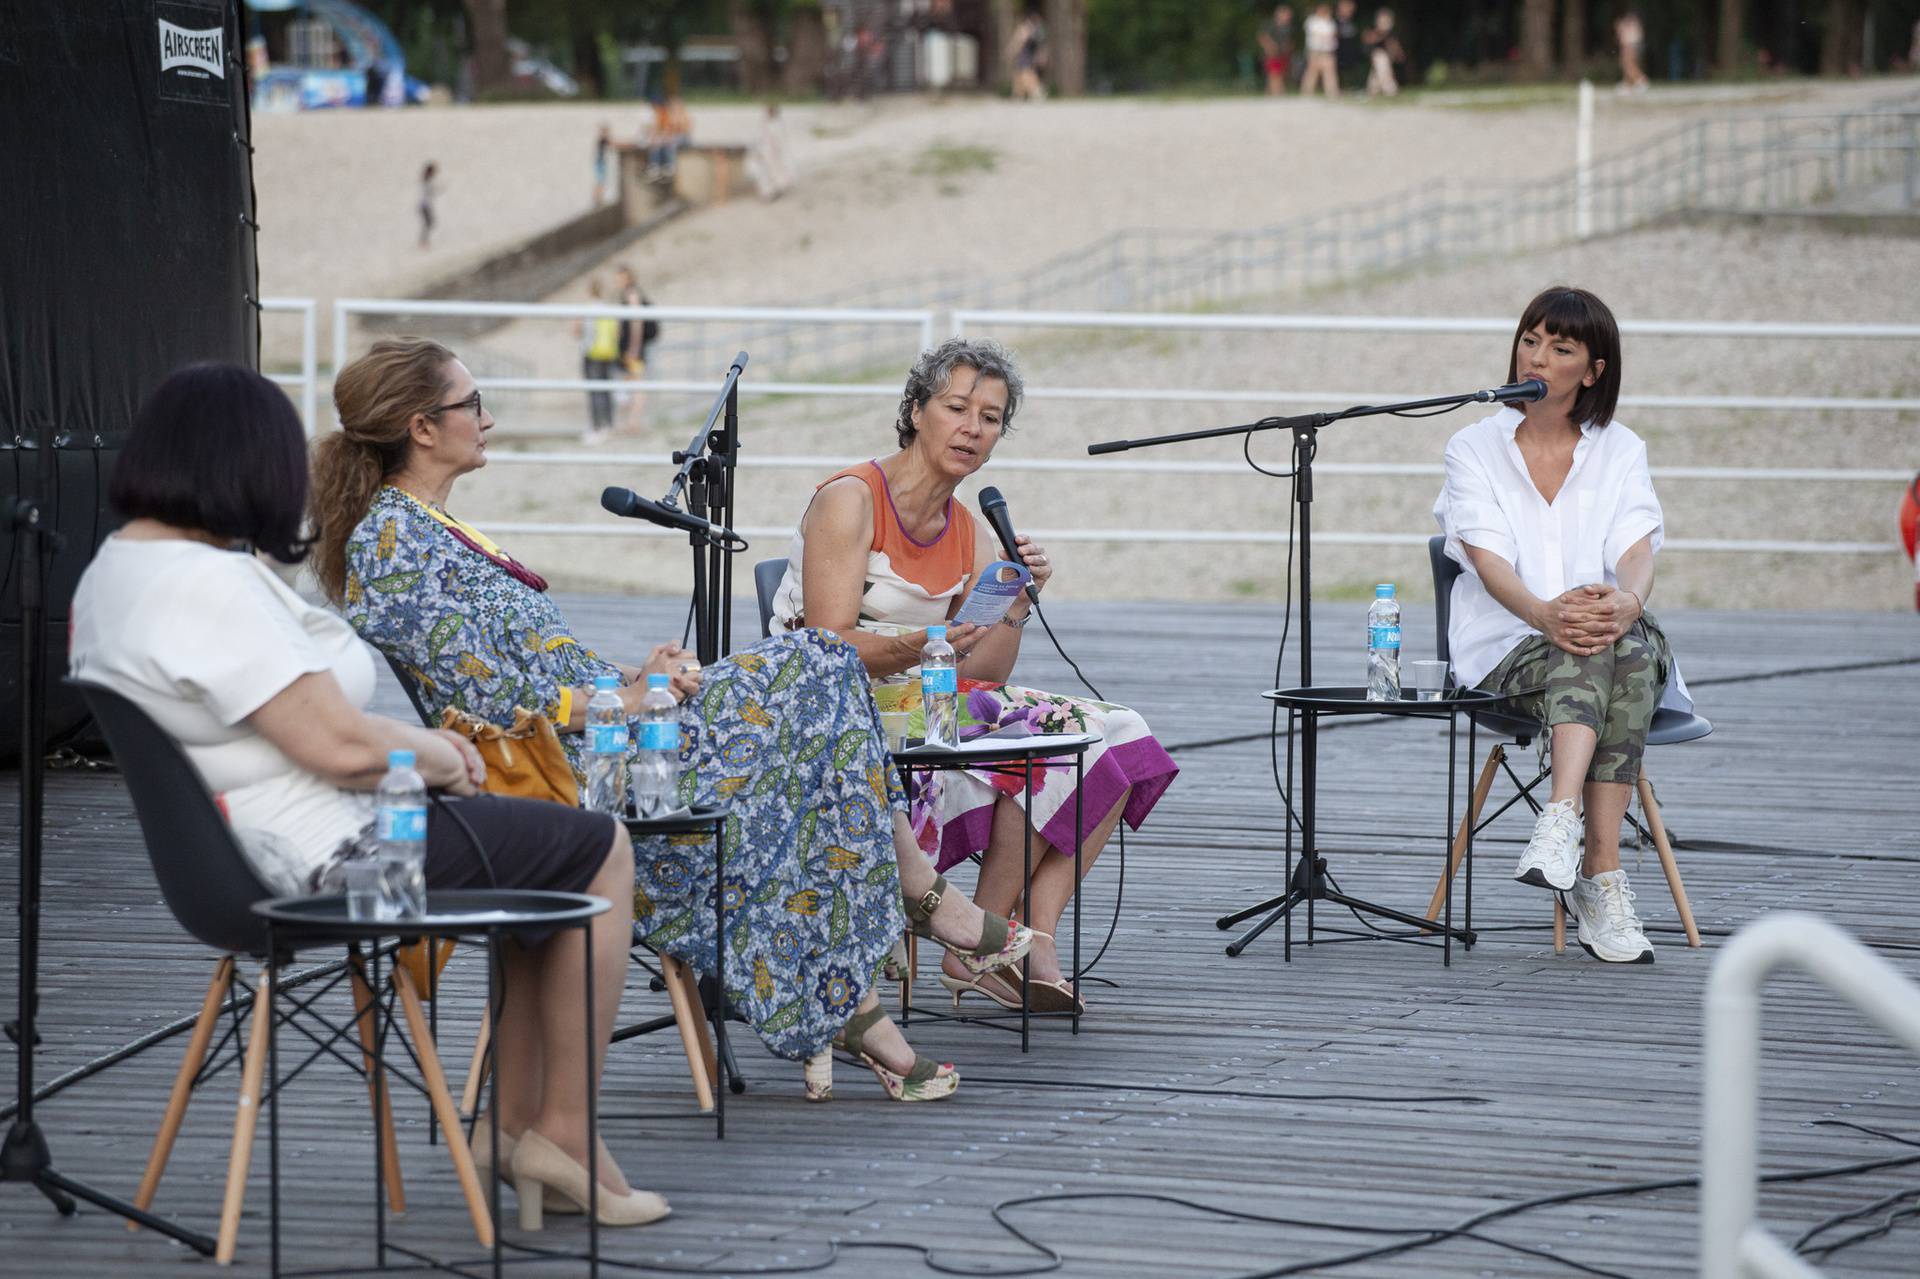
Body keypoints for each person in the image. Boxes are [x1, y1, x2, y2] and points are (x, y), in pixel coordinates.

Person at [309, 338, 1036, 1102]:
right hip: (570, 763)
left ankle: (866, 986)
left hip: (613, 726)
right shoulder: (394, 545)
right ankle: (909, 910)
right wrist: (623, 700)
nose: (487, 419)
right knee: (821, 661)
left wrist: (638, 674)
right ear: (423, 428)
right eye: (473, 404)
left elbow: (531, 662)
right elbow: (484, 705)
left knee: (820, 677)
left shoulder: (432, 527)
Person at [70, 364, 663, 1226]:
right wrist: (437, 752)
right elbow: (339, 747)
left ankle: (514, 1126)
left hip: (242, 857)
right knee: (596, 846)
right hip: (331, 856)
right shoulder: (201, 586)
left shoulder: (117, 571)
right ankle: (560, 1131)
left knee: (539, 845)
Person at [768, 338, 1180, 1013]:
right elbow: (826, 642)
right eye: (957, 407)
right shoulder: (851, 499)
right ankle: (983, 945)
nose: (972, 428)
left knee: (1117, 731)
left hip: (924, 708)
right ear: (916, 410)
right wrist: (923, 643)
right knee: (1044, 746)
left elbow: (977, 670)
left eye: (990, 417)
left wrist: (1013, 606)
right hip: (836, 718)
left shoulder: (968, 530)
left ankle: (1024, 929)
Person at [1432, 285, 1691, 965]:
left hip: (1608, 636)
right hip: (1506, 651)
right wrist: (1545, 613)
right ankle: (1599, 874)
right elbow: (1489, 562)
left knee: (1615, 643)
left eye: (1561, 347)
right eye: (1530, 339)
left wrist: (1630, 600)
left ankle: (1561, 823)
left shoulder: (1620, 448)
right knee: (1604, 651)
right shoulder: (1473, 447)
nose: (1538, 356)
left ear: (1594, 369)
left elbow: (1638, 551)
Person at [575, 276, 620, 443]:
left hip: (591, 353)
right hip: (607, 354)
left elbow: (577, 331)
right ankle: (609, 424)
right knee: (607, 390)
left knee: (595, 391)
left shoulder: (586, 309)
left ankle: (597, 427)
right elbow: (616, 333)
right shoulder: (608, 309)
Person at [612, 263, 654, 435]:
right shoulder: (629, 294)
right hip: (630, 348)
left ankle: (633, 423)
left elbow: (637, 324)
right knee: (630, 383)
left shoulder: (632, 295)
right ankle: (631, 422)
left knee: (636, 385)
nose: (617, 281)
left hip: (633, 349)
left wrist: (634, 348)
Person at [748, 103, 794, 201]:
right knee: (766, 170)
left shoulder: (774, 125)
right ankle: (771, 190)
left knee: (772, 169)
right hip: (766, 149)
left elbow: (777, 141)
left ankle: (772, 190)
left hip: (770, 150)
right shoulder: (766, 123)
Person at [1007, 9, 1048, 102]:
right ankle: (1017, 95)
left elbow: (1020, 42)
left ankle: (1036, 92)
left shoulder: (1024, 28)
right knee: (1019, 74)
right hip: (1028, 54)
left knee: (1026, 73)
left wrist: (1012, 51)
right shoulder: (1033, 29)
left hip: (1024, 54)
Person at [1301, 5, 1340, 97]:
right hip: (1315, 50)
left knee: (1330, 72)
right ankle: (1307, 92)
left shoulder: (1330, 22)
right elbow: (1318, 34)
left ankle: (1332, 92)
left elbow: (1334, 34)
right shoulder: (1312, 21)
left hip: (1327, 50)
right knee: (1312, 72)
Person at [1363, 8, 1402, 97]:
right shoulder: (1374, 29)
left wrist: (1398, 53)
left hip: (1387, 55)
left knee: (1376, 75)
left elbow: (1394, 44)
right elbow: (1368, 40)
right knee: (1384, 72)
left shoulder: (1391, 32)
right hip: (1377, 54)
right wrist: (1380, 34)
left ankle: (1372, 91)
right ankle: (1390, 90)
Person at [1258, 6, 1295, 96]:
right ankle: (1278, 94)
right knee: (1274, 74)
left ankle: (1270, 94)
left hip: (1283, 54)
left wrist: (1289, 48)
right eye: (1286, 14)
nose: (1288, 17)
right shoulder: (1271, 25)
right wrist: (1269, 46)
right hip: (1272, 54)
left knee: (1280, 75)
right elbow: (1262, 37)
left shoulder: (1288, 27)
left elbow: (1289, 41)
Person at [1615, 10, 1649, 93]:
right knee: (1626, 65)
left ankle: (1641, 81)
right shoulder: (1631, 22)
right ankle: (1627, 85)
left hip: (1630, 45)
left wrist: (1620, 28)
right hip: (1632, 44)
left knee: (1629, 65)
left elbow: (1624, 36)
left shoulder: (1628, 23)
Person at [417, 161, 441, 249]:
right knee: (429, 223)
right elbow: (428, 192)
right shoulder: (426, 181)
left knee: (429, 223)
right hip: (425, 206)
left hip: (425, 205)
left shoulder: (427, 181)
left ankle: (424, 241)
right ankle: (423, 242)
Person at [592, 123, 613, 205]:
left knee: (600, 181)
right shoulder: (603, 139)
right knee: (601, 181)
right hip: (601, 163)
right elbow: (613, 144)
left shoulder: (601, 140)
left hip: (599, 162)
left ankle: (597, 198)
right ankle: (598, 199)